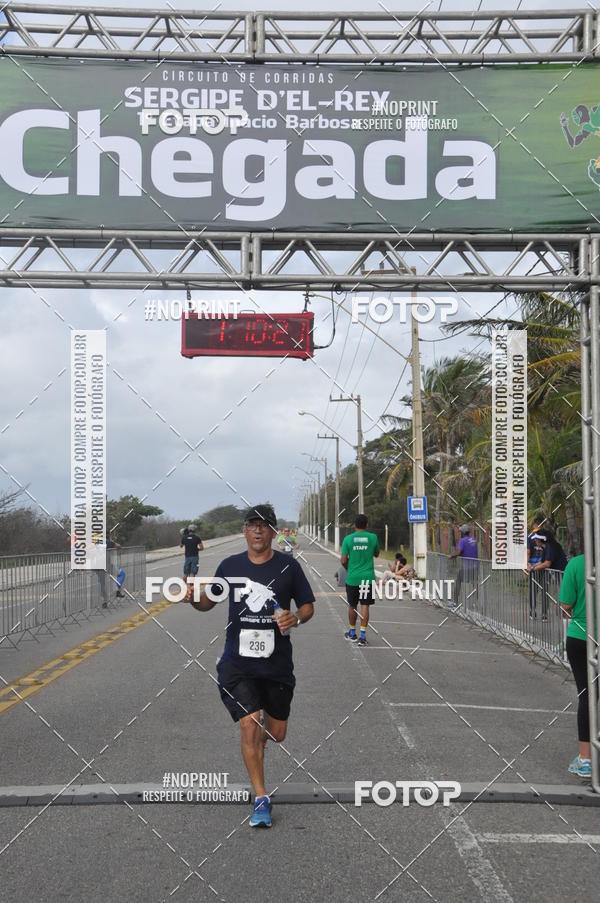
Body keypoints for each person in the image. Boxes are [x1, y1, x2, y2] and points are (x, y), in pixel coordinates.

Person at [189, 504, 315, 828]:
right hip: (238, 663)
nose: (258, 530)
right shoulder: (229, 566)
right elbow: (207, 602)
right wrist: (192, 598)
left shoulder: (288, 567)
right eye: (252, 524)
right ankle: (261, 798)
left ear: (273, 532)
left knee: (276, 733)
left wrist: (296, 618)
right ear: (244, 530)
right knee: (250, 723)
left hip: (276, 665)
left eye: (264, 525)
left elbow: (307, 606)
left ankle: (260, 743)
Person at [558, 554, 594, 780]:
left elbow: (565, 604)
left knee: (587, 696)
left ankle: (585, 758)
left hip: (581, 636)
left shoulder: (576, 564)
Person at [340, 513, 380, 646]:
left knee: (352, 605)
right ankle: (362, 636)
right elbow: (377, 554)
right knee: (365, 605)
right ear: (367, 525)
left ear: (355, 525)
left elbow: (343, 560)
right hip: (367, 578)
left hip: (353, 578)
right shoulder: (373, 537)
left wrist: (349, 569)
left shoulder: (348, 539)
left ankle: (352, 633)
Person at [449, 524, 478, 608]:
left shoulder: (462, 540)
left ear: (463, 532)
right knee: (474, 584)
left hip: (466, 566)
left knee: (458, 582)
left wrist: (452, 556)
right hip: (475, 566)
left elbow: (459, 552)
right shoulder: (474, 539)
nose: (460, 533)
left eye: (460, 532)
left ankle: (455, 603)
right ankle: (476, 603)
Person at [180, 524, 203, 591]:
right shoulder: (197, 538)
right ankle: (191, 587)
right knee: (192, 573)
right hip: (195, 557)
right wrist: (197, 549)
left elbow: (181, 546)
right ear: (194, 530)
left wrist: (184, 537)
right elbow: (202, 547)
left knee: (186, 573)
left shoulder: (184, 538)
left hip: (187, 557)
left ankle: (183, 587)